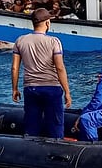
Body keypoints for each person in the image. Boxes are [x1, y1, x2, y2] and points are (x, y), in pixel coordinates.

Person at [11, 8, 72, 138]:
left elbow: (15, 68)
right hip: (51, 88)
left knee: (31, 127)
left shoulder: (20, 40)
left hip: (30, 88)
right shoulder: (54, 41)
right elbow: (60, 68)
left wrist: (14, 88)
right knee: (55, 127)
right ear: (47, 23)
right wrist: (67, 92)